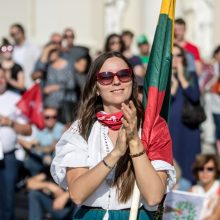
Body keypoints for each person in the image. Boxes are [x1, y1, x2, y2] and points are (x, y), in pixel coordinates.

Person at [51, 51, 175, 220]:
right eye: (106, 77)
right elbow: (77, 194)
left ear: (132, 81)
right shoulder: (81, 128)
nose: (116, 81)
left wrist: (135, 143)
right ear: (96, 87)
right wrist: (116, 152)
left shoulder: (153, 127)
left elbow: (154, 196)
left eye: (124, 75)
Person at [0, 66, 32, 220]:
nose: (0, 81)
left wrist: (9, 122)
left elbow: (28, 130)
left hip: (8, 157)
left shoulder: (15, 99)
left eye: (2, 77)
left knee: (8, 201)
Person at [169, 44, 201, 183]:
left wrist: (182, 78)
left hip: (189, 128)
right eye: (172, 56)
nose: (175, 59)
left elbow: (195, 97)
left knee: (189, 163)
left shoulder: (190, 75)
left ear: (184, 58)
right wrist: (173, 87)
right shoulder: (164, 78)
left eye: (179, 55)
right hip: (172, 127)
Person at [9, 23, 40, 88]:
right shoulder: (11, 50)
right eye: (12, 34)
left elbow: (39, 65)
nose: (15, 36)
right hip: (15, 86)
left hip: (29, 84)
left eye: (17, 33)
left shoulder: (33, 47)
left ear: (23, 32)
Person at [190, 154, 220, 219]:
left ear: (216, 171)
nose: (205, 172)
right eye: (201, 168)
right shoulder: (192, 190)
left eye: (210, 169)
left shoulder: (218, 190)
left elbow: (215, 217)